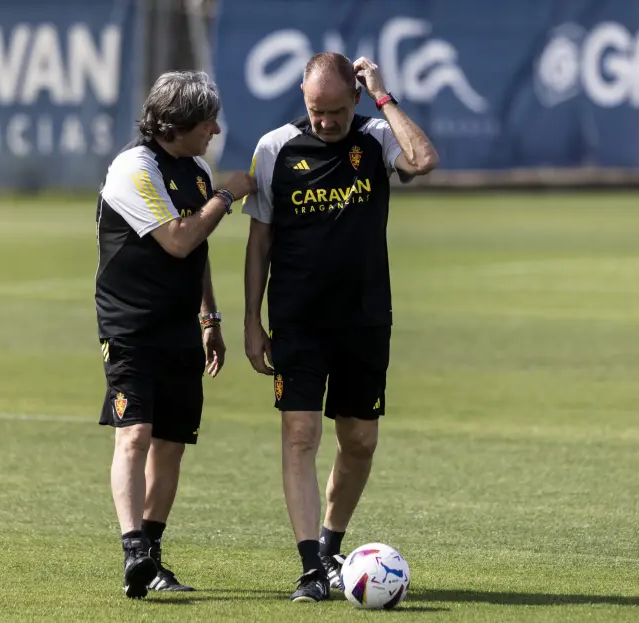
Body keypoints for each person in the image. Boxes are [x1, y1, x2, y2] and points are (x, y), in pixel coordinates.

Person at [242, 52, 439, 602]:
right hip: (298, 322)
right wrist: (251, 320)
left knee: (359, 440)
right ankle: (310, 568)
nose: (325, 122)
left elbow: (423, 159)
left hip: (365, 319)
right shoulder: (275, 147)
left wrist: (383, 92)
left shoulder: (376, 137)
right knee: (299, 435)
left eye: (334, 110)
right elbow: (260, 242)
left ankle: (331, 545)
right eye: (315, 110)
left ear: (354, 98)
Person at [95, 70, 256, 598]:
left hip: (180, 328)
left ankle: (153, 557)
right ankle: (133, 551)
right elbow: (180, 240)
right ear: (176, 124)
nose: (215, 128)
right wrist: (227, 196)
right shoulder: (134, 169)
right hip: (131, 328)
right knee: (135, 434)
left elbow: (200, 252)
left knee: (171, 445)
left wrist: (209, 318)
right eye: (207, 120)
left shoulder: (195, 167)